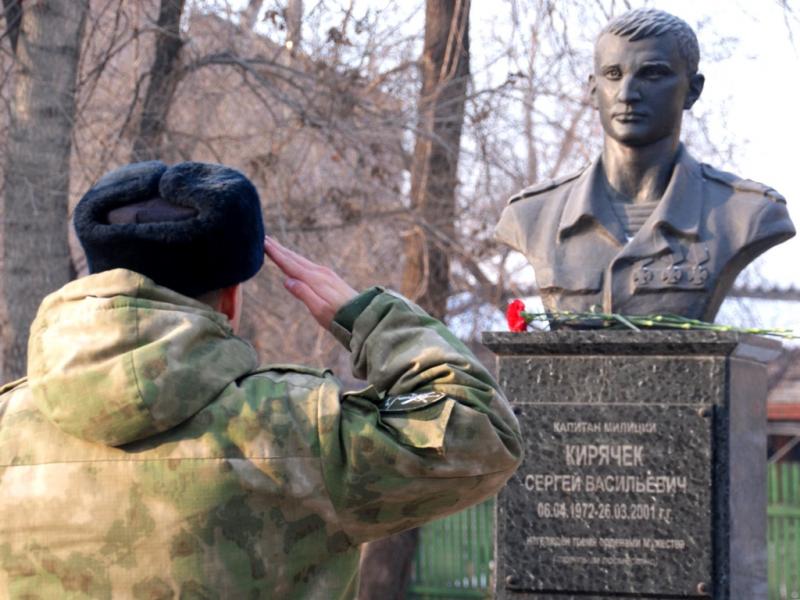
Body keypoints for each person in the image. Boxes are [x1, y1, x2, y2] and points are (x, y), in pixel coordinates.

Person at [0, 161, 522, 599]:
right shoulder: (296, 430)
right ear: (230, 299)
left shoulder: (6, 425)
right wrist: (367, 317)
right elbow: (482, 431)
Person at [495, 8, 795, 322]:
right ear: (593, 89)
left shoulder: (747, 215)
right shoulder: (532, 216)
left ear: (692, 90)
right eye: (613, 74)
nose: (627, 94)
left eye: (651, 74)